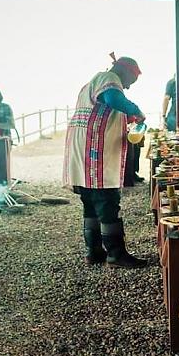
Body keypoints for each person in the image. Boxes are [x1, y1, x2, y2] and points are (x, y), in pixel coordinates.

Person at [63, 55, 147, 268]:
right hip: (94, 152)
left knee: (90, 202)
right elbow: (113, 99)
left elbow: (104, 110)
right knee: (107, 201)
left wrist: (126, 119)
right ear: (124, 71)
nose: (127, 87)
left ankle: (94, 251)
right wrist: (136, 110)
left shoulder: (91, 83)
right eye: (130, 81)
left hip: (83, 152)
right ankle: (115, 254)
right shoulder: (108, 78)